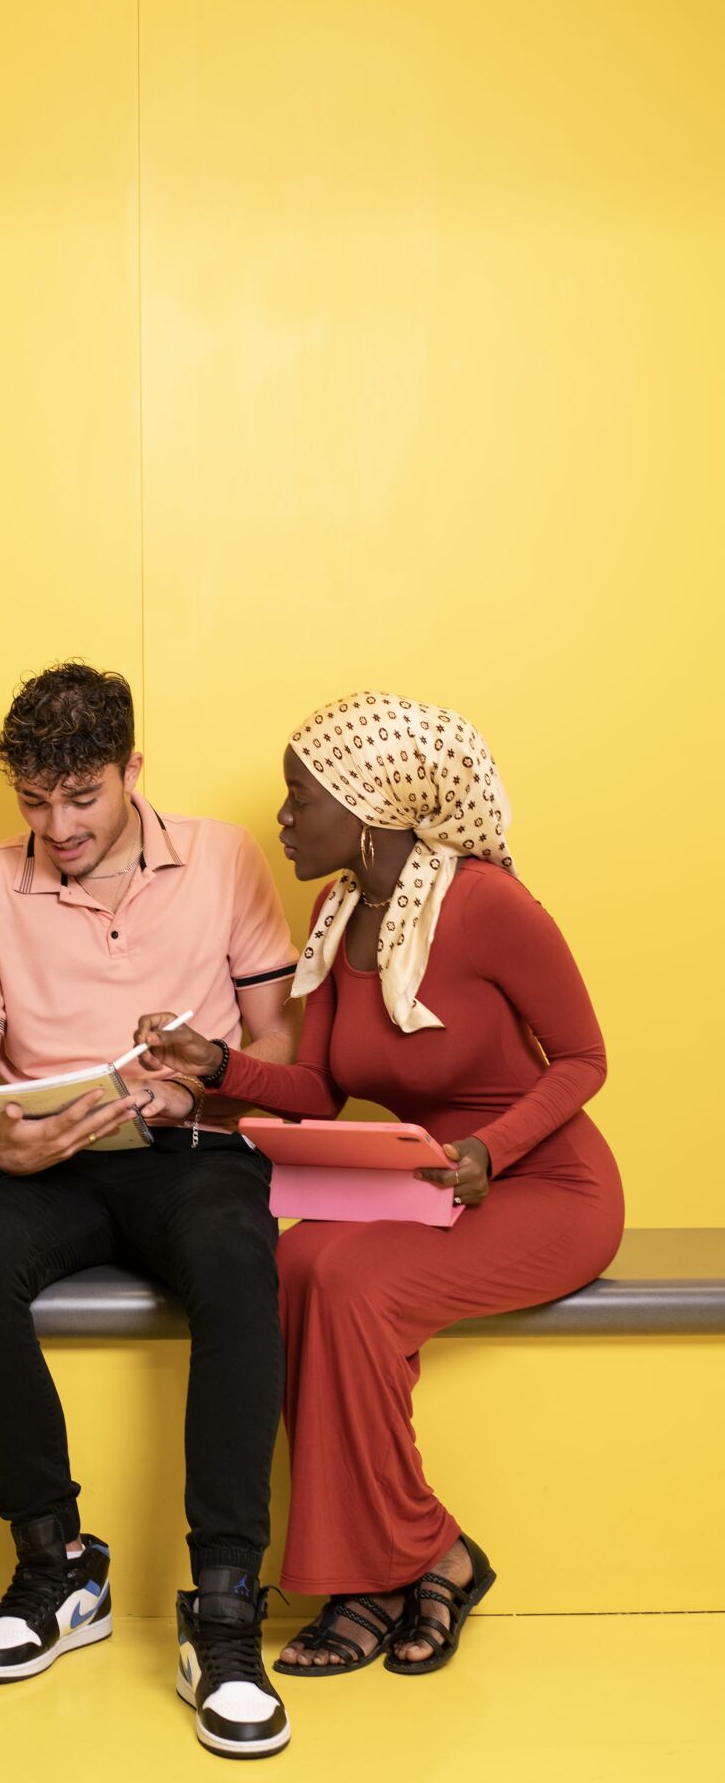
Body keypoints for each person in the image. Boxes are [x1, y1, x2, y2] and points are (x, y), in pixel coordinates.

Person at [136, 690, 624, 1677]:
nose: (281, 821)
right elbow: (320, 1089)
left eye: (295, 800)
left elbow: (579, 1059)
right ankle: (412, 1559)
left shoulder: (486, 905)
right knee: (301, 1259)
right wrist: (215, 1063)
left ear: (364, 808)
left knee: (354, 1281)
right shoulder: (336, 911)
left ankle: (381, 1571)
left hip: (539, 1182)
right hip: (421, 1179)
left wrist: (492, 1148)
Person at [0, 661, 301, 1759]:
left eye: (80, 797)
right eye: (34, 802)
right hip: (43, 1157)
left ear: (131, 769)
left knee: (240, 1259)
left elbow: (274, 1045)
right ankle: (56, 1565)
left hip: (189, 1150)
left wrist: (198, 1079)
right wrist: (0, 1139)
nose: (57, 825)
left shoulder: (224, 859)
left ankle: (225, 1607)